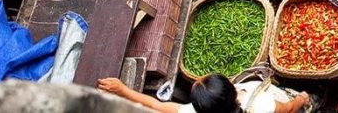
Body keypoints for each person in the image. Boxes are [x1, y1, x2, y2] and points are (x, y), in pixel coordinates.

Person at [98, 73, 310, 113]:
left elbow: (156, 105)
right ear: (232, 89)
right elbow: (289, 108)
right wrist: (302, 98)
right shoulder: (262, 104)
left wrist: (123, 90)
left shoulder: (191, 112)